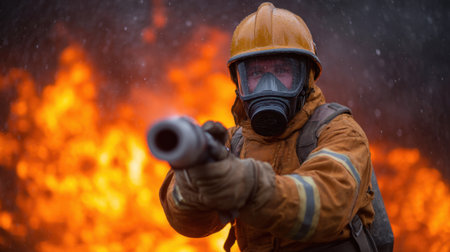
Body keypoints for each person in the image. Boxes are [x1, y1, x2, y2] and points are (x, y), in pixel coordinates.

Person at [159, 2, 377, 251]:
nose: (268, 85)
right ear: (240, 83)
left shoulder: (339, 132)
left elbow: (327, 205)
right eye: (256, 74)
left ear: (305, 77)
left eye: (281, 70)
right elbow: (190, 225)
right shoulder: (232, 143)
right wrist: (195, 178)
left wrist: (247, 185)